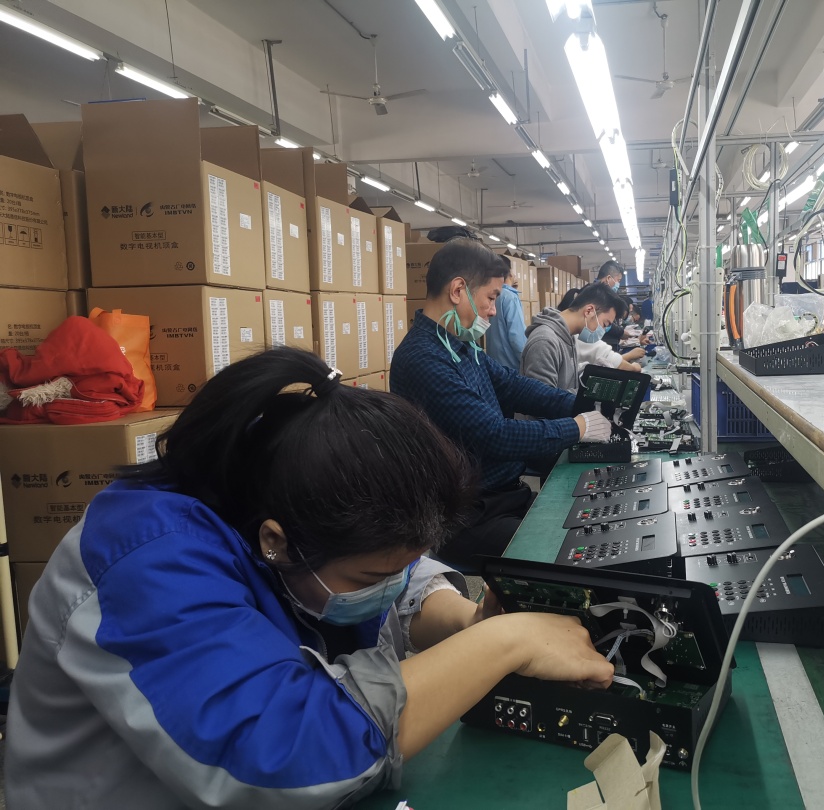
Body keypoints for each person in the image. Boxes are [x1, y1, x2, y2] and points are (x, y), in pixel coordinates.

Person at [5, 347, 614, 809]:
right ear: (275, 541)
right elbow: (279, 753)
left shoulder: (287, 487)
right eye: (375, 574)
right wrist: (502, 644)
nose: (392, 581)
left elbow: (397, 577)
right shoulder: (146, 557)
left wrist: (467, 620)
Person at [390, 238, 613, 564]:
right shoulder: (423, 359)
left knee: (588, 521)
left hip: (503, 498)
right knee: (571, 552)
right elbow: (495, 435)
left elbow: (515, 386)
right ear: (458, 290)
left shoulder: (461, 346)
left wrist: (584, 405)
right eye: (491, 297)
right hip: (466, 518)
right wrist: (577, 427)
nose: (493, 310)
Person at [520, 281, 627, 394]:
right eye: (604, 324)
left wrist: (591, 374)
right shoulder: (545, 341)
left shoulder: (569, 336)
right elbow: (543, 399)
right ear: (589, 311)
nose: (603, 331)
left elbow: (565, 381)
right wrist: (590, 389)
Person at [484, 255, 527, 370]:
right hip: (511, 367)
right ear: (509, 272)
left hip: (494, 365)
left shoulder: (491, 295)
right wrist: (527, 363)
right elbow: (518, 338)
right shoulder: (510, 297)